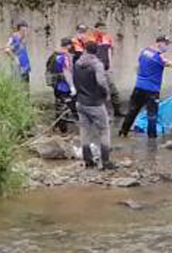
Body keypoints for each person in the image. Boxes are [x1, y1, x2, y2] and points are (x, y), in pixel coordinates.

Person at [119, 36, 172, 139]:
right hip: (152, 90)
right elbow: (170, 64)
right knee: (152, 115)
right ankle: (152, 139)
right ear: (159, 43)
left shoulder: (144, 51)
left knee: (132, 111)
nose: (167, 47)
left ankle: (123, 133)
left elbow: (139, 66)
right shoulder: (158, 57)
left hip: (139, 87)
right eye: (166, 44)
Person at [73, 41, 117, 170]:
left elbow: (74, 80)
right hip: (95, 103)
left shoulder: (77, 63)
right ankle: (106, 162)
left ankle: (88, 161)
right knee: (104, 130)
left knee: (84, 131)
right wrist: (106, 94)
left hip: (80, 102)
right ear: (96, 51)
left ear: (85, 50)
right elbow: (101, 82)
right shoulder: (97, 64)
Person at [92, 22, 122, 117]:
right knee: (102, 92)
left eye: (104, 28)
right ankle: (102, 114)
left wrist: (110, 65)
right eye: (100, 28)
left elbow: (110, 51)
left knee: (114, 90)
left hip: (106, 68)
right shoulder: (91, 39)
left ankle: (117, 111)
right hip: (96, 69)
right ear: (95, 29)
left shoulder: (107, 38)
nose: (102, 30)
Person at [50, 38, 77, 134]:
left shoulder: (55, 54)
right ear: (68, 46)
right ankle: (63, 130)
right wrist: (72, 86)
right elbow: (67, 72)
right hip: (64, 86)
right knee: (63, 108)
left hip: (56, 84)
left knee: (58, 105)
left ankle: (56, 126)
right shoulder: (65, 56)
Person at [6, 20, 31, 85]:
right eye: (23, 30)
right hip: (18, 67)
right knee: (18, 86)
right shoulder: (13, 37)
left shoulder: (23, 38)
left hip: (25, 66)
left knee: (26, 87)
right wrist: (15, 59)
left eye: (26, 30)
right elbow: (7, 50)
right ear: (19, 30)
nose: (25, 32)